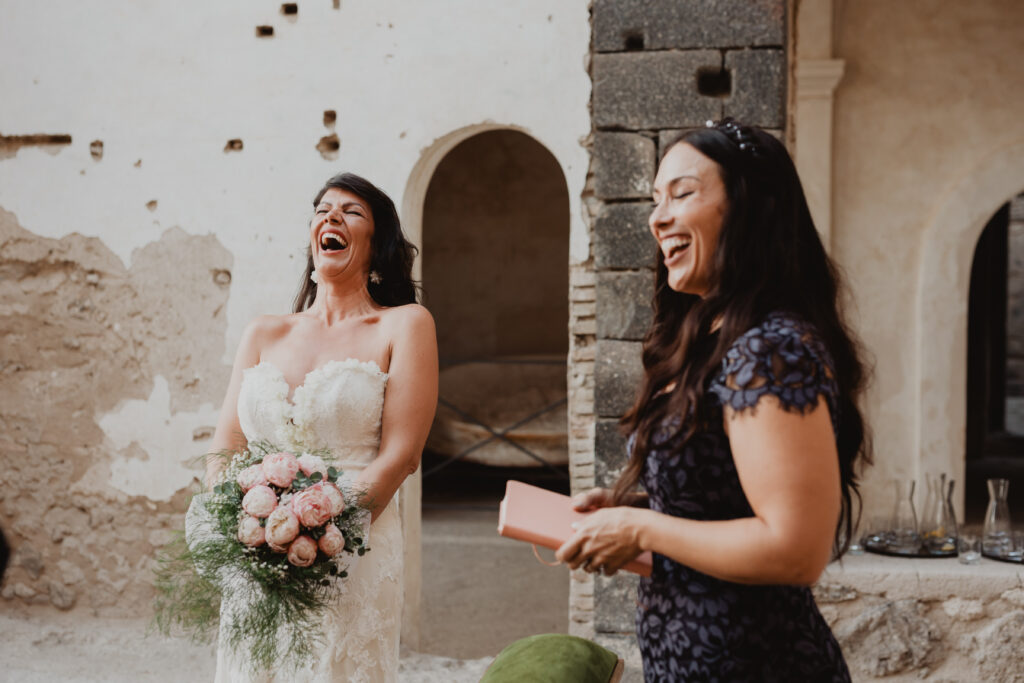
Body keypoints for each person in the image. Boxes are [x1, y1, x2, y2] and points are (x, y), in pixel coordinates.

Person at [556, 118, 870, 682]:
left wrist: (641, 530)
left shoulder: (770, 349)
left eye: (683, 193)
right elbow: (725, 505)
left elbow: (796, 548)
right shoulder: (711, 337)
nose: (658, 218)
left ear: (751, 208)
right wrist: (637, 510)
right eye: (656, 199)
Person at [206, 172, 438, 682]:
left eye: (351, 212)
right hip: (258, 551)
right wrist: (241, 531)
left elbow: (401, 455)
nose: (331, 217)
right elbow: (227, 445)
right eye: (322, 209)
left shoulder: (405, 325)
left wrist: (323, 534)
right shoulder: (263, 331)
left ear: (377, 246)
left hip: (351, 551)